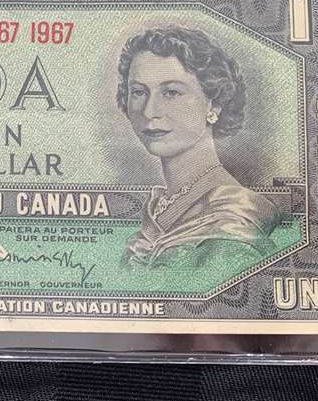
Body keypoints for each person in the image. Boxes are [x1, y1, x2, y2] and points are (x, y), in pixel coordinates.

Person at [116, 26, 279, 267]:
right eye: (139, 92)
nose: (149, 112)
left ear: (214, 105)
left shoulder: (232, 224)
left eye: (171, 92)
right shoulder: (157, 210)